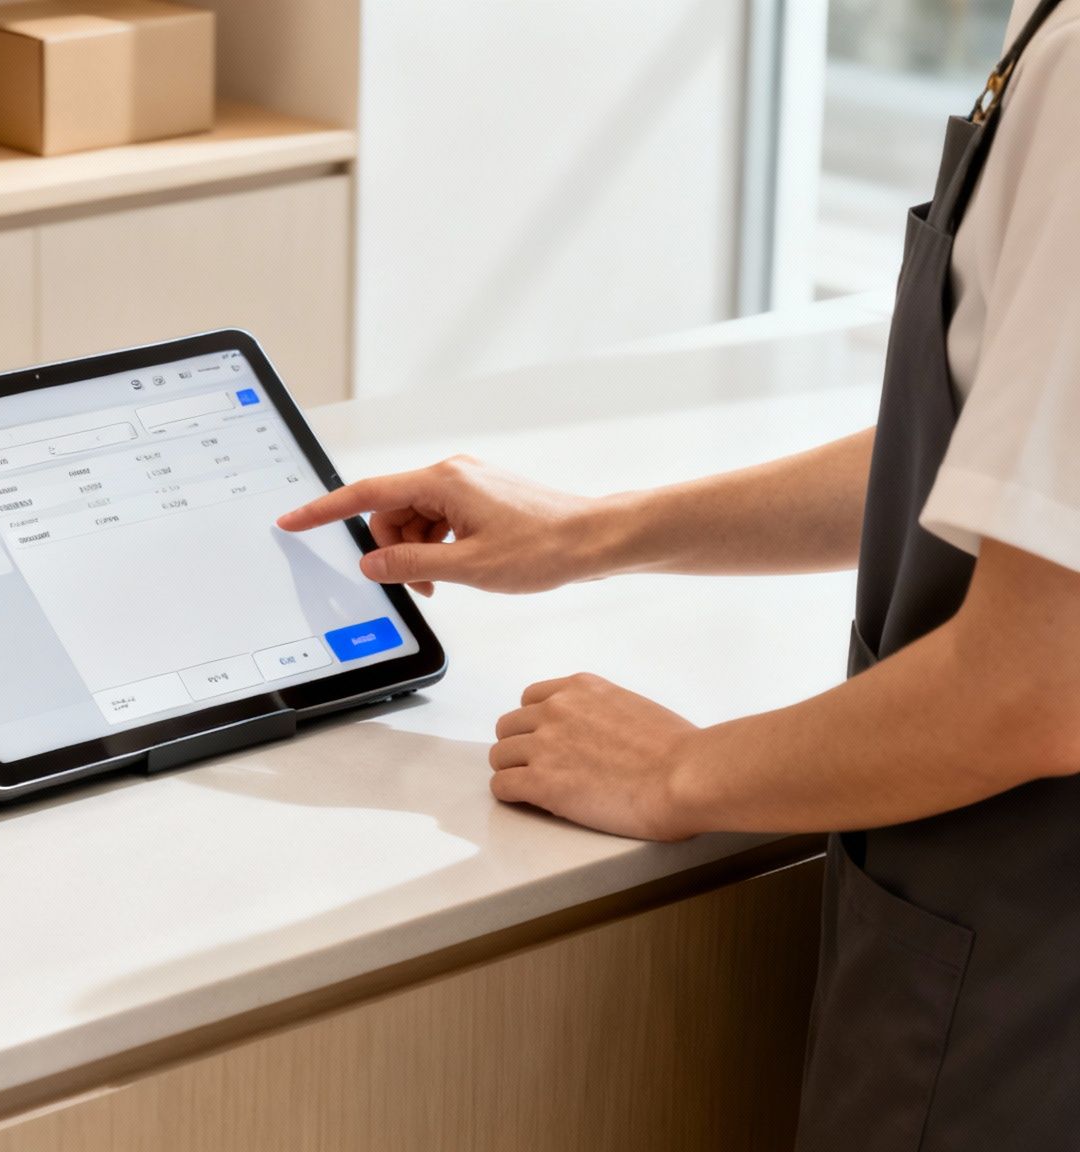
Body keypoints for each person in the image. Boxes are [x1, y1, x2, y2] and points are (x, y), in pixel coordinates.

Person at [279, 0, 1080, 1146]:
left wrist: (679, 773)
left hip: (1028, 976)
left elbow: (1035, 684)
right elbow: (992, 454)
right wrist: (593, 531)